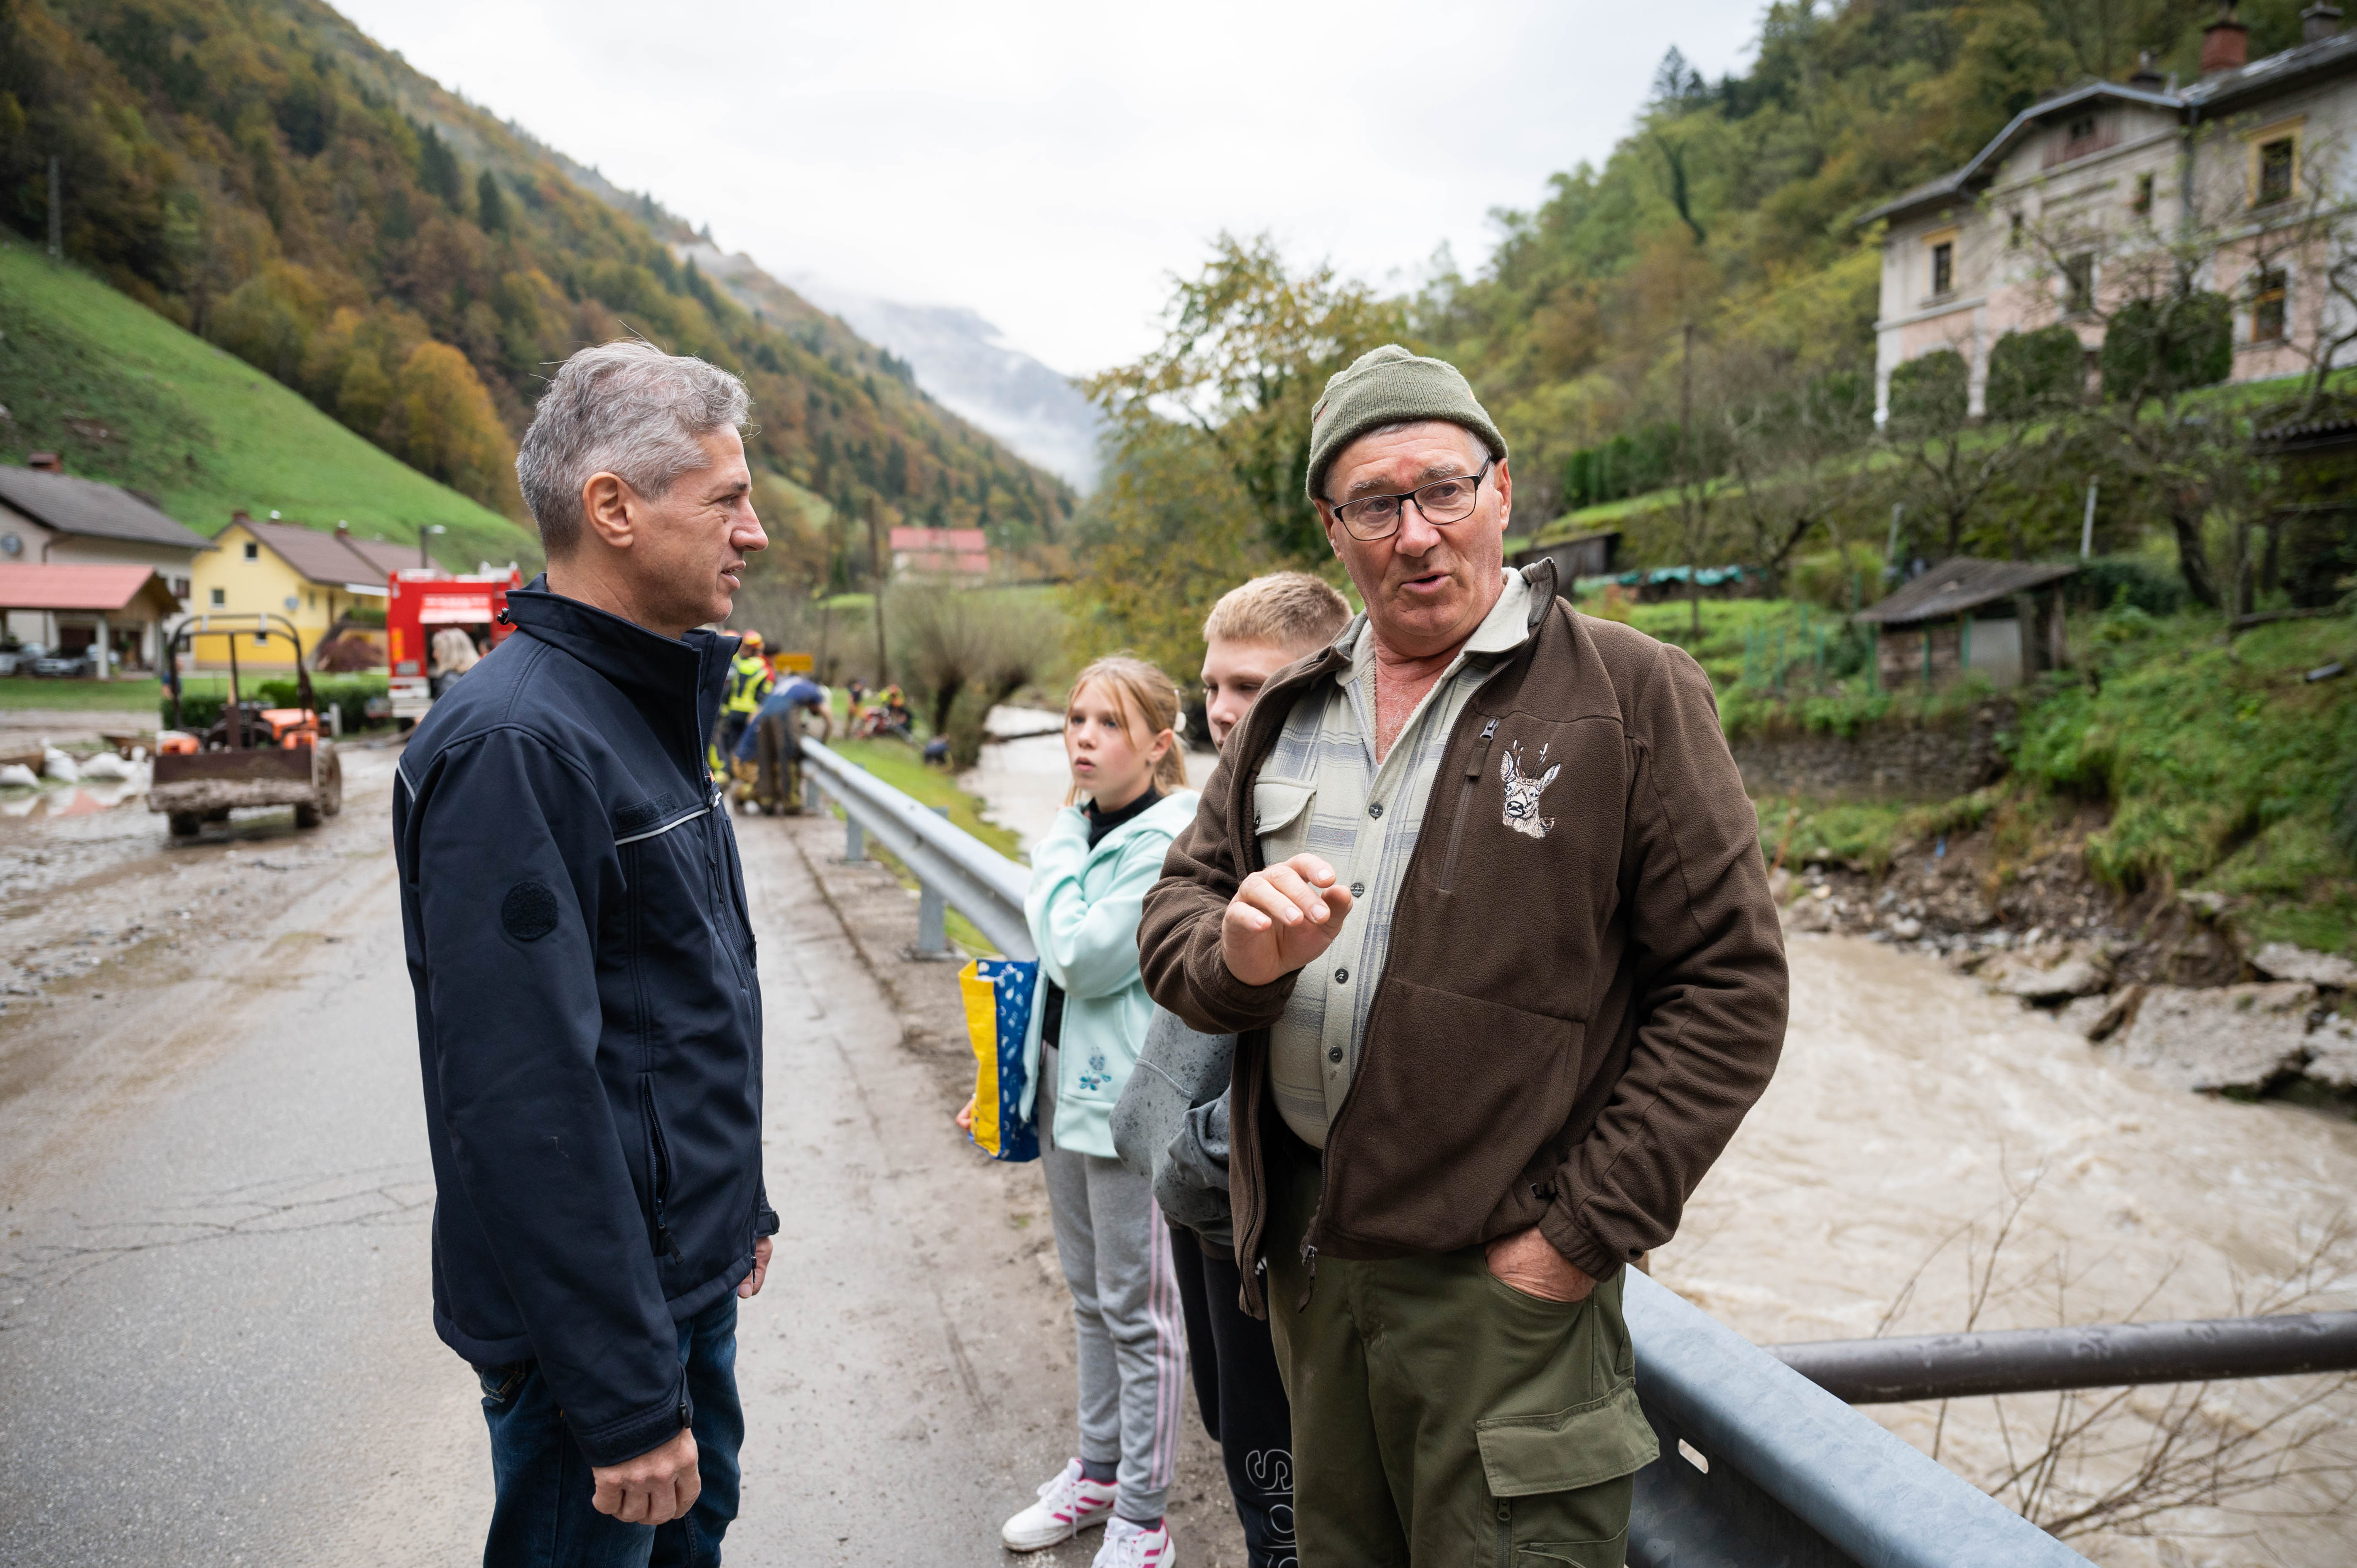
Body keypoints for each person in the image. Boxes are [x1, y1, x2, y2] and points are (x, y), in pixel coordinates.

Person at [1137, 345, 1788, 1566]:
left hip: (1504, 1287)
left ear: (1500, 489)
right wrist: (1232, 952)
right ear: (1332, 528)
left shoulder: (1631, 694)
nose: (1417, 532)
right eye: (1375, 504)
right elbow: (1178, 904)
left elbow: (1729, 989)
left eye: (1443, 487)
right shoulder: (1286, 711)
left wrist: (1578, 1235)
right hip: (1311, 1265)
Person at [393, 340, 778, 1566]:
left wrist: (733, 1209)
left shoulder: (631, 708)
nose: (754, 532)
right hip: (597, 1344)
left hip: (676, 1285)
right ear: (614, 507)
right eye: (728, 498)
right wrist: (620, 1398)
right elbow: (524, 1100)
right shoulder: (520, 745)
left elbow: (675, 999)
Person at [1111, 572, 1350, 1568]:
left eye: (1247, 687)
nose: (1219, 710)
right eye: (1211, 686)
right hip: (1203, 1201)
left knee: (1287, 1487)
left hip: (1267, 1208)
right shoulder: (1226, 803)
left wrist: (1221, 1141)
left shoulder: (1344, 815)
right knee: (1237, 1435)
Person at [991, 656, 1200, 1568]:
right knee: (1089, 1298)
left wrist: (1054, 856)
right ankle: (1100, 1470)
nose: (1082, 736)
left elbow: (1080, 956)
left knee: (1138, 1308)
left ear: (1159, 743)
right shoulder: (1081, 826)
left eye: (1108, 722)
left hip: (1125, 1105)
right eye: (1075, 717)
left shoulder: (1164, 842)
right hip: (1060, 1087)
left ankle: (1145, 1519)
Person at [731, 667, 830, 812]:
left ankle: (769, 802)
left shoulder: (777, 695)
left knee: (775, 778)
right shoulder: (813, 691)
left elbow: (752, 718)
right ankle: (741, 793)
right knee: (777, 781)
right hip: (746, 762)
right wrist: (823, 743)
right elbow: (829, 719)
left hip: (747, 757)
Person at [711, 629, 771, 777]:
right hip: (751, 715)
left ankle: (727, 774)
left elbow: (729, 691)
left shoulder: (739, 665)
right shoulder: (764, 669)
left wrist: (724, 711)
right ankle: (741, 776)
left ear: (751, 649)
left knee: (729, 746)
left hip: (733, 714)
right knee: (745, 748)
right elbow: (765, 695)